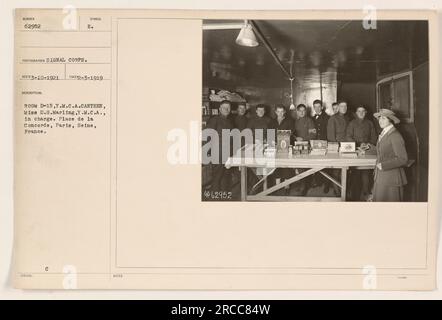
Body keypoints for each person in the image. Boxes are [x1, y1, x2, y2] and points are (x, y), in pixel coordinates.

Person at [371, 109, 408, 202]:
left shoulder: (395, 135)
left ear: (390, 120)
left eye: (383, 118)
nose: (380, 121)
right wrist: (369, 148)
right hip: (381, 176)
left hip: (391, 178)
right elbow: (383, 151)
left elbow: (403, 159)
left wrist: (383, 165)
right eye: (379, 118)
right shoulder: (385, 133)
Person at [346, 106, 378, 200]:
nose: (361, 113)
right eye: (359, 111)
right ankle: (354, 196)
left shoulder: (369, 123)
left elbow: (374, 137)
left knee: (366, 172)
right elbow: (348, 136)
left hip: (367, 151)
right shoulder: (352, 123)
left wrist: (368, 145)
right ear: (356, 113)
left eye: (363, 111)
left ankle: (366, 193)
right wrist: (358, 145)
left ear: (366, 112)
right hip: (356, 150)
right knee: (356, 173)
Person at [206, 100, 234, 192]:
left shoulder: (229, 121)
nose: (226, 109)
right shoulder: (214, 120)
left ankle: (224, 197)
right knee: (217, 177)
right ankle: (215, 199)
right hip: (217, 153)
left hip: (227, 153)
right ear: (219, 109)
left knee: (226, 176)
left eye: (228, 108)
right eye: (224, 107)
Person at [327, 101, 350, 196]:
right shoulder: (333, 118)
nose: (344, 108)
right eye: (341, 106)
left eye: (345, 106)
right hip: (338, 147)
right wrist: (336, 148)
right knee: (336, 170)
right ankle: (336, 190)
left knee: (345, 170)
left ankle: (343, 189)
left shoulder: (348, 118)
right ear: (338, 107)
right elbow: (331, 136)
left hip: (347, 147)